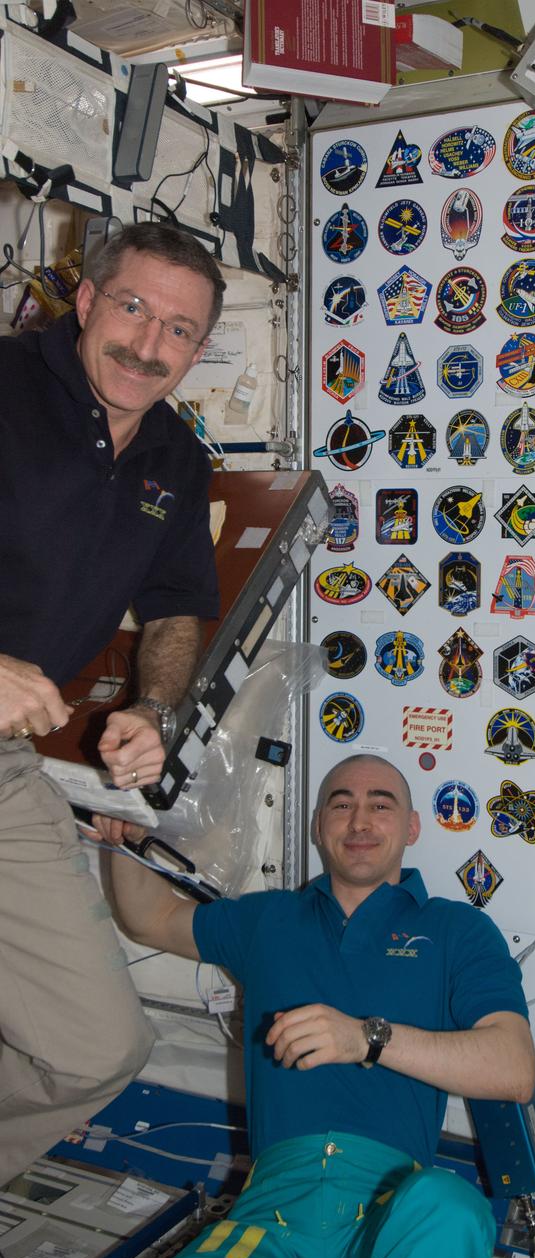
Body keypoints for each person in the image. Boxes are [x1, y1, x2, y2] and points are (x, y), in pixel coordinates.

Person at [108, 754, 535, 1258]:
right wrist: (122, 834)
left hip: (392, 1213)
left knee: (453, 1206)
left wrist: (366, 1039)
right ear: (317, 826)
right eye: (341, 805)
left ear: (412, 826)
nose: (360, 821)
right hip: (268, 1215)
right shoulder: (268, 919)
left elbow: (513, 1069)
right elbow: (150, 919)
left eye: (381, 805)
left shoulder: (457, 930)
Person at [0, 222, 224, 1182]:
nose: (148, 344)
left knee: (97, 1048)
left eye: (179, 329)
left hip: (5, 769)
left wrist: (157, 712)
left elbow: (178, 606)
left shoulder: (175, 458)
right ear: (85, 302)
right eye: (132, 307)